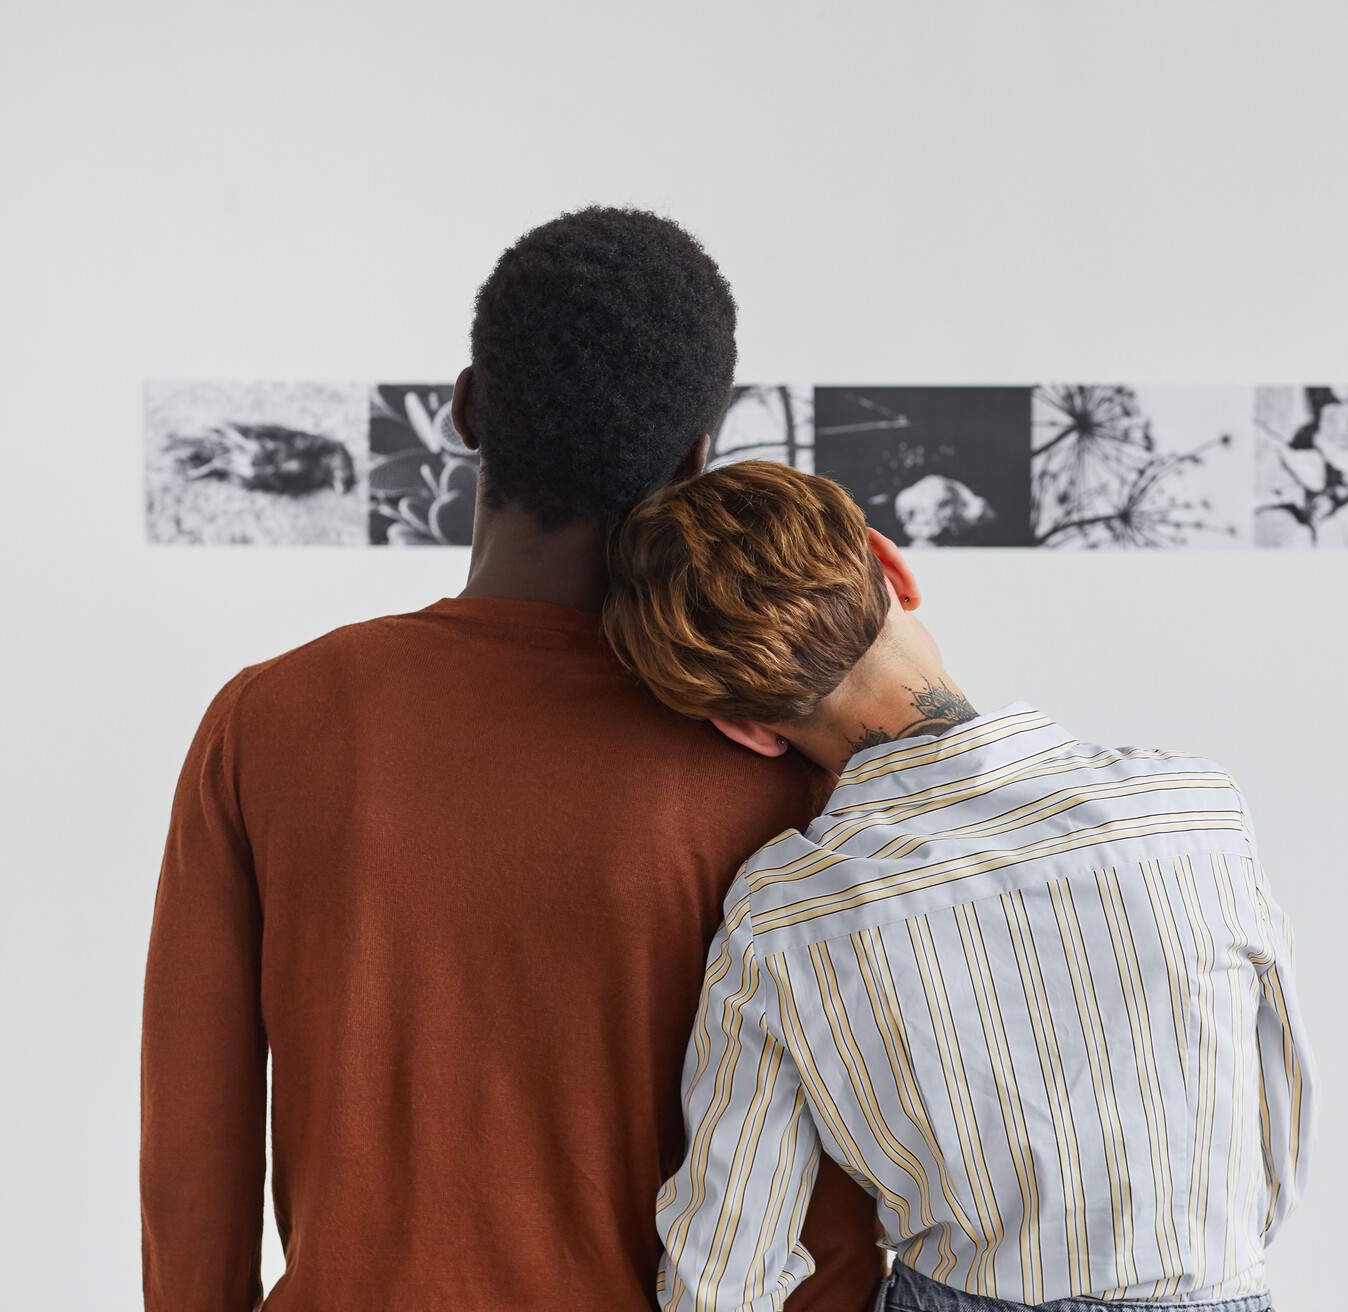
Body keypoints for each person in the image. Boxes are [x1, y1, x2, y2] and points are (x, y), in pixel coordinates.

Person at [139, 210, 883, 1311]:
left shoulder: (271, 719)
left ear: (467, 406)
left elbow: (190, 1153)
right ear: (692, 456)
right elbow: (836, 1191)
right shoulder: (782, 762)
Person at [600, 460, 1317, 1312]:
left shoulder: (783, 917)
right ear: (892, 566)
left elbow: (722, 1272)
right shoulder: (1192, 812)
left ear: (747, 730)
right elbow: (1277, 1127)